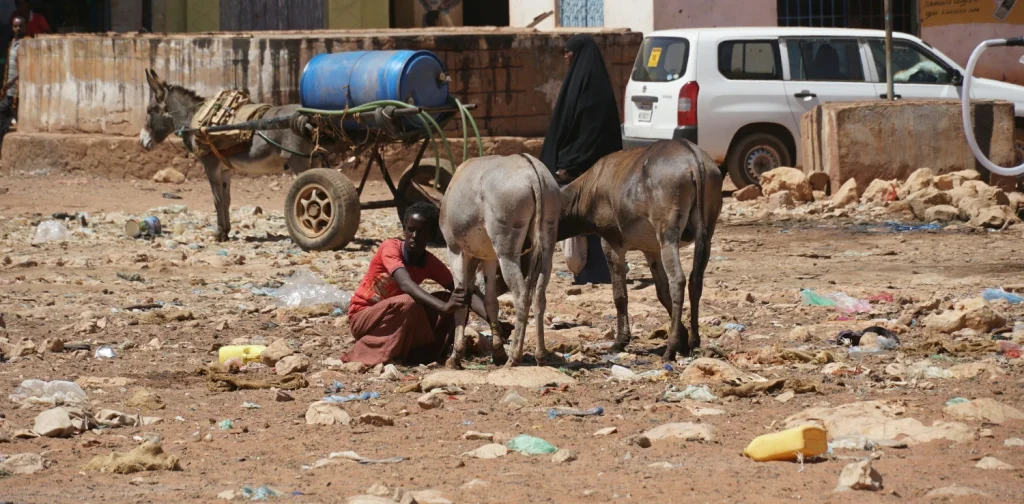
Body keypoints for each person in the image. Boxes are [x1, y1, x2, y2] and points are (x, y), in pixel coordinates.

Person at [341, 202, 493, 366]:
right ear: (404, 229)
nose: (414, 235)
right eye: (410, 230)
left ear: (432, 235)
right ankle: (367, 354)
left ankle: (422, 354)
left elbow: (464, 292)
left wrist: (493, 321)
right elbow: (406, 284)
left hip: (393, 319)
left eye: (421, 231)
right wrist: (442, 306)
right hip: (363, 316)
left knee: (451, 298)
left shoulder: (429, 262)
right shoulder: (390, 248)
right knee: (410, 301)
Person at [540, 34, 622, 285]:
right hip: (577, 166)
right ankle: (584, 271)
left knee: (595, 221)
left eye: (569, 52)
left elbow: (594, 132)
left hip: (590, 167)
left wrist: (570, 163)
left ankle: (597, 272)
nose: (565, 56)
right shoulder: (577, 83)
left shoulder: (594, 89)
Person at [0, 15, 21, 153]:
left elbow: (25, 67)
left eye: (20, 26)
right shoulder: (12, 43)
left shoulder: (25, 44)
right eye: (15, 26)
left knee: (20, 120)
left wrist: (11, 82)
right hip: (8, 90)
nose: (17, 28)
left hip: (16, 91)